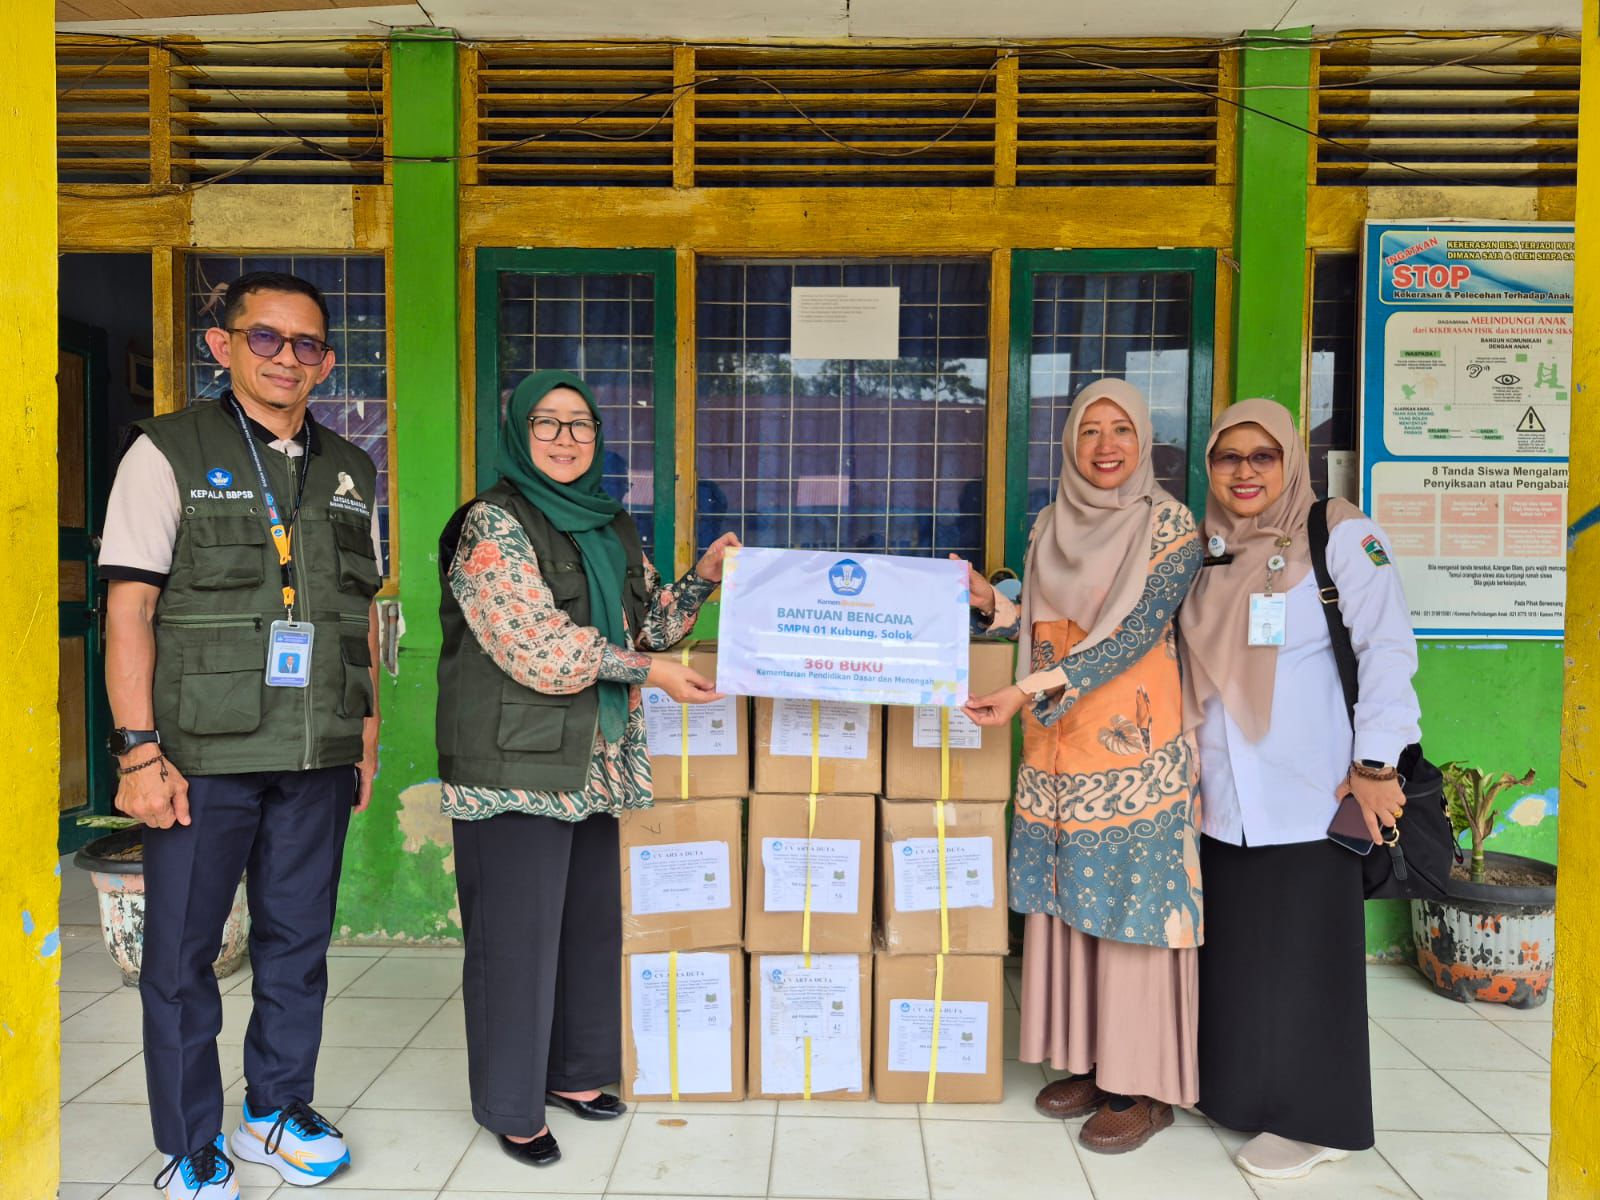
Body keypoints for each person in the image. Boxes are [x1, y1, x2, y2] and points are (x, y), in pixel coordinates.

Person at [101, 272, 383, 1197]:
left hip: (316, 756)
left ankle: (274, 1109)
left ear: (327, 363)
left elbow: (356, 616)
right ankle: (191, 1142)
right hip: (201, 757)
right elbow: (130, 610)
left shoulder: (351, 469)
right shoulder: (167, 452)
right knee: (180, 957)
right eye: (267, 338)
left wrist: (366, 733)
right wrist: (138, 749)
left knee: (297, 943)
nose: (287, 359)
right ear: (223, 346)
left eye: (307, 345)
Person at [436, 369, 738, 1169]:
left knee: (583, 927)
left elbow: (649, 629)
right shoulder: (490, 525)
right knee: (515, 939)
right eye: (548, 423)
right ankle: (510, 1103)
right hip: (514, 764)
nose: (566, 439)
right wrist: (651, 675)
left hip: (593, 763)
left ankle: (573, 1073)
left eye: (581, 425)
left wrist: (701, 580)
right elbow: (534, 644)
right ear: (518, 434)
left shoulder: (612, 527)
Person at [1178, 398, 1419, 1180]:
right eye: (1227, 457)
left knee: (1312, 962)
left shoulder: (1340, 531)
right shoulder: (1211, 549)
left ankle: (1319, 1120)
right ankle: (1245, 1096)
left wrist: (1376, 767)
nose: (1244, 472)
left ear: (1290, 461)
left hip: (1314, 791)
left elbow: (1386, 648)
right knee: (1244, 956)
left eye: (1263, 456)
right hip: (1224, 796)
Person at [961, 379, 1203, 1153]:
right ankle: (1096, 1064)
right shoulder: (1046, 524)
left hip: (1136, 755)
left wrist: (1022, 690)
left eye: (1121, 430)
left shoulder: (1170, 526)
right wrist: (989, 605)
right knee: (1070, 906)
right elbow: (1044, 622)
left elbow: (1132, 632)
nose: (1106, 447)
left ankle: (1145, 1087)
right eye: (1091, 431)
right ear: (1070, 443)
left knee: (1131, 910)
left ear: (1143, 441)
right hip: (1056, 748)